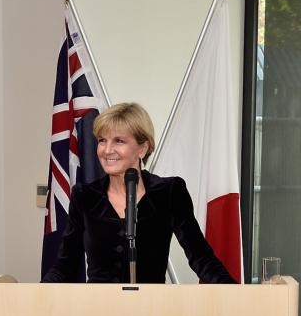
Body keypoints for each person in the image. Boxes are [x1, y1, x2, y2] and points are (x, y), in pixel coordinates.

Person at [42, 102, 236, 284]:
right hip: (98, 312)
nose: (107, 150)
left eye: (119, 141)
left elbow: (201, 258)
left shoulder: (169, 192)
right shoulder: (84, 196)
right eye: (102, 140)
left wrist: (237, 294)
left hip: (152, 312)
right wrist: (34, 294)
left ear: (142, 148)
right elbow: (65, 265)